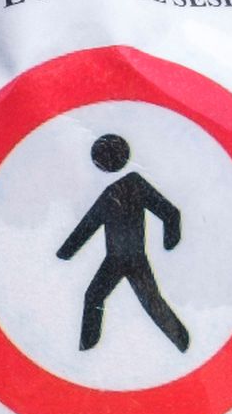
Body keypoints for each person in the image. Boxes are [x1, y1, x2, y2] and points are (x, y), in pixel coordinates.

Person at [56, 133, 190, 352]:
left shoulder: (134, 184)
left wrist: (170, 242)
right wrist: (65, 252)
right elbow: (89, 224)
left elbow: (170, 213)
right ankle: (87, 349)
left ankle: (182, 342)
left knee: (150, 302)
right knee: (95, 296)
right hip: (115, 259)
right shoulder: (112, 192)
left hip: (133, 258)